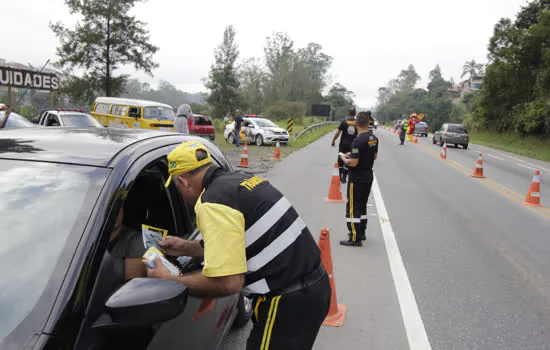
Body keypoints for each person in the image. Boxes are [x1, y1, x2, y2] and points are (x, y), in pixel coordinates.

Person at [147, 141, 331, 349]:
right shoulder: (238, 181)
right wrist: (187, 247)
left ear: (183, 182)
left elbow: (228, 283)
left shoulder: (213, 204)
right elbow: (234, 244)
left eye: (177, 187)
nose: (180, 194)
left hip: (287, 301)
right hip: (311, 288)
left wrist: (170, 281)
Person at [338, 111, 379, 247]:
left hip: (357, 178)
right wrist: (354, 154)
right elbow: (374, 156)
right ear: (369, 123)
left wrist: (344, 157)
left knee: (353, 207)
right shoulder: (373, 138)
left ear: (356, 124)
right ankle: (361, 232)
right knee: (362, 205)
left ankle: (354, 238)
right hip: (368, 175)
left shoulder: (357, 140)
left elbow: (353, 163)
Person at [331, 107, 358, 183]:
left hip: (343, 144)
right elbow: (359, 135)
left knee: (340, 159)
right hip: (353, 145)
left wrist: (333, 140)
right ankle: (344, 176)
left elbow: (338, 133)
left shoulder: (343, 122)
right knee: (350, 159)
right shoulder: (357, 122)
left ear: (348, 113)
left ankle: (340, 175)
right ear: (355, 114)